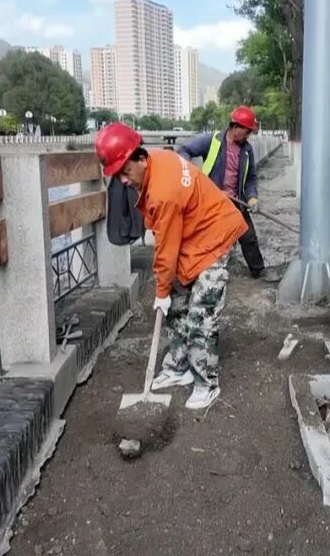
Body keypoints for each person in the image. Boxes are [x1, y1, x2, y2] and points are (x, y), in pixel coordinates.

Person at [96, 123, 247, 409]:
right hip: (193, 237)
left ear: (140, 159)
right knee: (177, 306)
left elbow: (166, 249)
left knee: (201, 314)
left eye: (125, 171)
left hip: (215, 237)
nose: (124, 181)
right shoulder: (157, 159)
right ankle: (178, 367)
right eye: (118, 176)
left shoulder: (163, 191)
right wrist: (167, 293)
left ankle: (206, 383)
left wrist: (161, 290)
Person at [178, 106, 266, 279]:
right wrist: (191, 175)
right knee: (207, 240)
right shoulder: (212, 141)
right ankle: (197, 275)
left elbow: (251, 178)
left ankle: (258, 271)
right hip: (212, 201)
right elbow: (184, 151)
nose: (248, 136)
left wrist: (252, 198)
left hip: (236, 200)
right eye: (247, 131)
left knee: (248, 236)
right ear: (236, 127)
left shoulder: (247, 150)